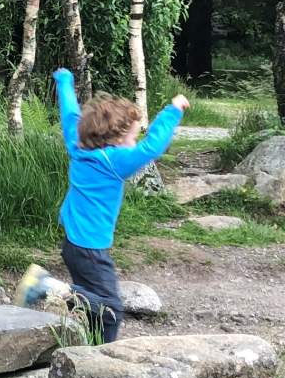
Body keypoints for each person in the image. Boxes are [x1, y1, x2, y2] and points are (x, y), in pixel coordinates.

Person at [19, 67, 186, 343]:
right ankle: (47, 287)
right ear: (116, 139)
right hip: (91, 249)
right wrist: (173, 110)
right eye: (131, 137)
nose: (134, 143)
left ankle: (90, 357)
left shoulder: (79, 146)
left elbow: (71, 114)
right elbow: (152, 148)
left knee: (95, 310)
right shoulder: (114, 162)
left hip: (74, 245)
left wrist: (64, 81)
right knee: (111, 310)